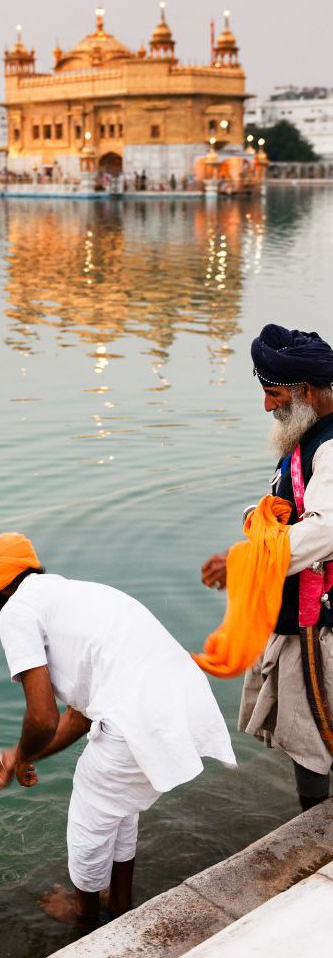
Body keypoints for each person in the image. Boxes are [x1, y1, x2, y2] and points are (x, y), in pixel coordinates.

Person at [0, 532, 236, 929]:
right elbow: (80, 714)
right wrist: (20, 756)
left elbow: (42, 717)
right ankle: (120, 902)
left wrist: (20, 757)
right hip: (180, 703)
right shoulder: (78, 594)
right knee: (120, 808)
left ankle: (84, 916)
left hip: (138, 717)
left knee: (89, 820)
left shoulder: (17, 611)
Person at [202, 323, 333, 811]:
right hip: (302, 606)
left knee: (315, 730)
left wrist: (244, 560)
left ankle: (316, 826)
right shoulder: (309, 435)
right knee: (309, 733)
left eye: (273, 394)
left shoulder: (331, 446)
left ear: (304, 391)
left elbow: (325, 530)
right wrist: (260, 518)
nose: (266, 406)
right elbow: (294, 506)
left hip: (322, 618)